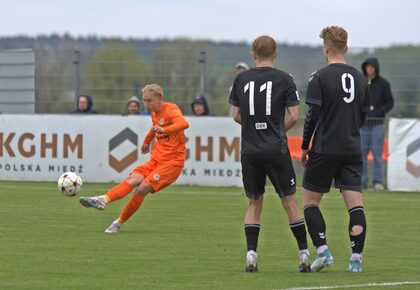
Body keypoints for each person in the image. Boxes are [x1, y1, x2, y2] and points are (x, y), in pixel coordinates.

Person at [229, 35, 309, 273]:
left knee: (254, 202)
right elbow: (294, 116)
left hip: (251, 149)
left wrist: (254, 128)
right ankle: (304, 254)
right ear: (276, 53)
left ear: (253, 54)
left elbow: (235, 115)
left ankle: (251, 255)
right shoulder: (285, 79)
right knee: (289, 202)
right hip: (276, 148)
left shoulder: (241, 78)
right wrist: (276, 129)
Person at [300, 26, 369, 273]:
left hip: (325, 147)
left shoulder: (319, 77)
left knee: (309, 201)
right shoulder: (361, 78)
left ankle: (323, 251)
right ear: (347, 48)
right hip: (351, 148)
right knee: (355, 204)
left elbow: (312, 116)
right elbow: (362, 116)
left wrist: (305, 146)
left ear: (326, 48)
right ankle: (356, 259)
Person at [79, 84, 189, 233]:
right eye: (144, 100)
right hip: (156, 160)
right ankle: (103, 199)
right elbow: (154, 128)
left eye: (149, 100)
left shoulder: (171, 109)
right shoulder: (154, 113)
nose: (146, 104)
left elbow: (184, 123)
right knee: (134, 179)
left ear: (159, 98)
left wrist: (165, 129)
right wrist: (146, 142)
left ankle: (118, 223)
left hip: (172, 163)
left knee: (141, 188)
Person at [361, 58, 394, 190]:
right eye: (367, 66)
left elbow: (390, 102)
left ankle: (378, 182)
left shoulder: (384, 84)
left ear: (376, 68)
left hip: (377, 125)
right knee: (361, 155)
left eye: (372, 66)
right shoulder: (360, 82)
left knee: (377, 155)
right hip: (362, 125)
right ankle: (362, 181)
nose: (369, 69)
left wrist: (379, 113)